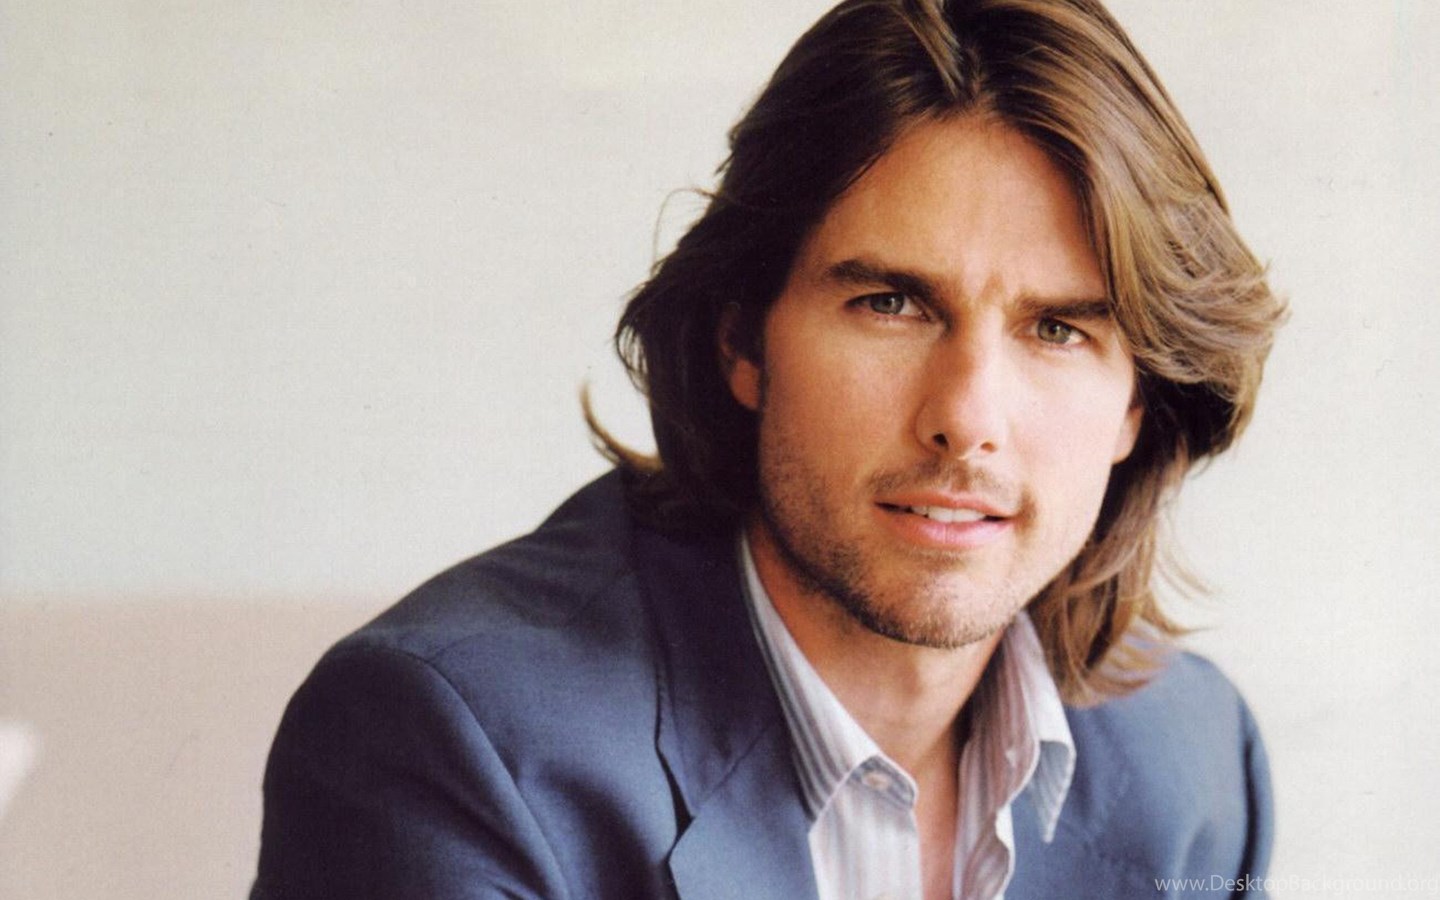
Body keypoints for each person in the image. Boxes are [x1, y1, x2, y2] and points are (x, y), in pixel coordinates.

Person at [251, 0, 1284, 897]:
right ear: (744, 341)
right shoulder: (455, 745)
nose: (967, 417)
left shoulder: (1195, 765)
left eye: (1057, 329)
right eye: (891, 303)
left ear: (1139, 403)